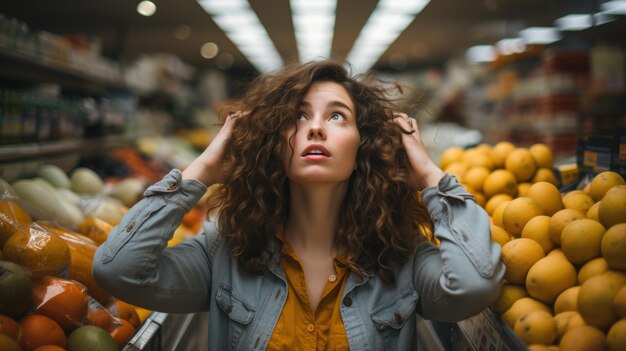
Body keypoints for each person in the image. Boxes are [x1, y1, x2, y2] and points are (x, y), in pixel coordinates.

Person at [93, 60, 505, 350]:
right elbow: (117, 270)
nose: (316, 129)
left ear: (367, 144)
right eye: (298, 116)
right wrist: (202, 169)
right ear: (273, 141)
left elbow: (473, 286)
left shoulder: (402, 256)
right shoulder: (225, 251)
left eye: (338, 116)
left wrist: (430, 178)